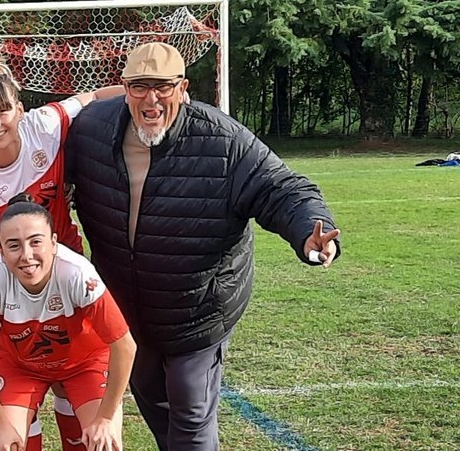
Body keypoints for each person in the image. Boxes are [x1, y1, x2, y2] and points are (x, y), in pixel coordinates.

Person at [65, 42, 342, 450]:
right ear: (124, 88)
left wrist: (309, 231)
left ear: (183, 87)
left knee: (191, 409)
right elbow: (41, 167)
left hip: (200, 309)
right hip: (126, 308)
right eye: (140, 86)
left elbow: (282, 188)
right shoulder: (90, 130)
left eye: (163, 87)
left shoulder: (223, 141)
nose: (151, 98)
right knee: (151, 395)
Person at [0, 54, 124, 447]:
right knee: (15, 415)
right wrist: (14, 273)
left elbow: (95, 96)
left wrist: (141, 96)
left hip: (64, 269)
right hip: (11, 283)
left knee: (72, 375)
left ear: (20, 110)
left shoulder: (45, 125)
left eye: (2, 111)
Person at [0, 196, 136, 451]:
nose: (26, 256)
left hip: (84, 363)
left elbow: (125, 346)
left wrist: (106, 418)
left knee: (104, 444)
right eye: (14, 246)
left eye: (36, 242)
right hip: (21, 366)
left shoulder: (77, 274)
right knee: (4, 444)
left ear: (53, 243)